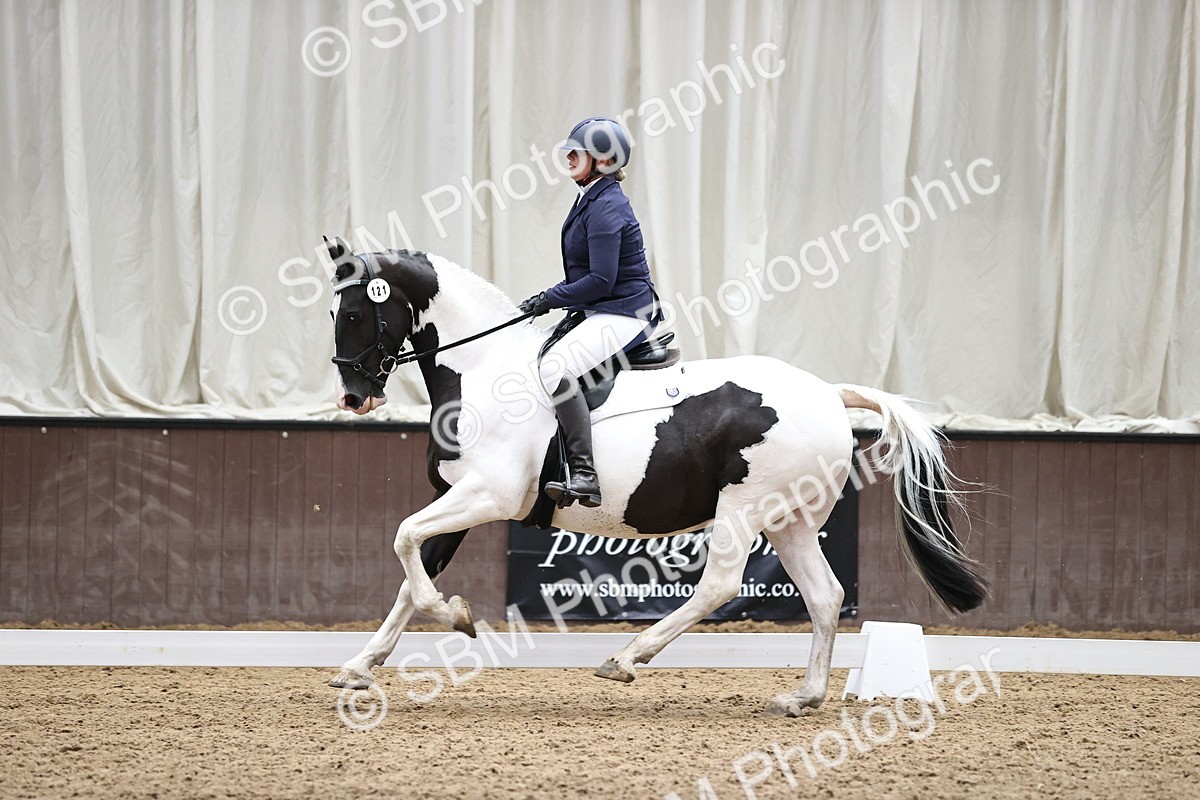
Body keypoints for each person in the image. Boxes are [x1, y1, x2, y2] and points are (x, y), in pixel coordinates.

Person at [518, 117, 660, 508]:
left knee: (554, 368)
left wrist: (549, 298)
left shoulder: (607, 206)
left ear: (603, 160)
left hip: (625, 312)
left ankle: (583, 474)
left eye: (577, 151)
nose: (568, 156)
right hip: (602, 308)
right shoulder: (592, 197)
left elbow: (600, 280)